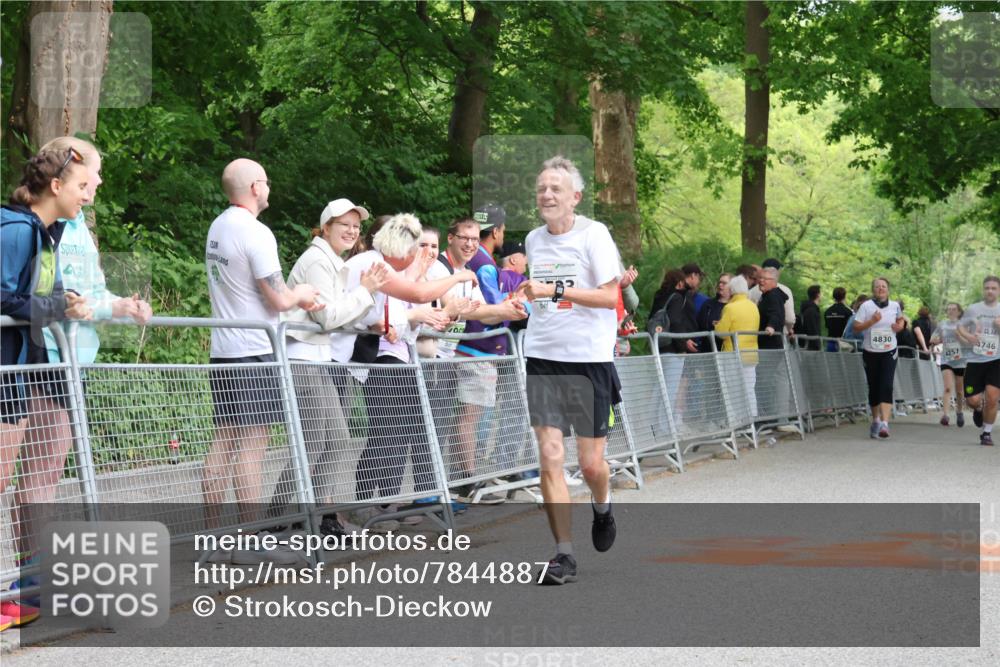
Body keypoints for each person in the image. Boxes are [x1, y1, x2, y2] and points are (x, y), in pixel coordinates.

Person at [203, 158, 324, 564]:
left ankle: (215, 537)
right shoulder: (256, 232)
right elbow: (278, 298)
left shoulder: (217, 226)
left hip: (223, 349)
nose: (269, 188)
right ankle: (250, 540)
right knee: (254, 446)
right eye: (266, 182)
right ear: (255, 186)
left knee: (223, 443)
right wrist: (303, 293)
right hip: (253, 349)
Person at [516, 156, 623, 586]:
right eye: (542, 188)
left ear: (575, 197)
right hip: (542, 356)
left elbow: (609, 297)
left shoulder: (594, 234)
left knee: (591, 463)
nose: (546, 195)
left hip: (589, 361)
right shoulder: (533, 240)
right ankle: (564, 554)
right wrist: (522, 302)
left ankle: (603, 505)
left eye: (556, 188)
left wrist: (554, 288)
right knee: (550, 456)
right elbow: (539, 298)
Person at [1, 147, 94, 629]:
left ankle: (22, 593)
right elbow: (2, 295)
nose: (86, 195)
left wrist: (62, 302)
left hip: (21, 369)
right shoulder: (17, 229)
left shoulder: (46, 234)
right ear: (55, 187)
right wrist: (56, 307)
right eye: (81, 186)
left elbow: (29, 298)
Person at [270, 198, 388, 538]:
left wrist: (366, 322)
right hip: (302, 358)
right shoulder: (318, 261)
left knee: (335, 439)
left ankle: (321, 518)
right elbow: (328, 318)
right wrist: (365, 293)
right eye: (344, 225)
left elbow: (336, 316)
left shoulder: (332, 261)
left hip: (317, 359)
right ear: (325, 228)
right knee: (313, 442)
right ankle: (277, 517)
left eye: (356, 226)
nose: (352, 231)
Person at [425, 217, 527, 502]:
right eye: (464, 238)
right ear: (451, 238)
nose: (470, 244)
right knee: (448, 421)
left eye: (473, 239)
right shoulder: (443, 269)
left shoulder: (468, 270)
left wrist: (507, 310)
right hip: (433, 355)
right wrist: (502, 310)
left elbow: (480, 309)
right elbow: (460, 310)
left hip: (447, 355)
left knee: (450, 420)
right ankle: (451, 486)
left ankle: (452, 486)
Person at [852, 278, 905, 439]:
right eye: (877, 287)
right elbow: (855, 328)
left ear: (888, 290)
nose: (881, 289)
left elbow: (901, 319)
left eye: (884, 286)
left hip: (889, 351)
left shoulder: (895, 305)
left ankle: (885, 423)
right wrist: (871, 321)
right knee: (874, 387)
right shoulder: (866, 306)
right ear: (873, 290)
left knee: (887, 385)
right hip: (870, 351)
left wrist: (900, 326)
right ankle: (875, 419)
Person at [957, 276, 1000, 447]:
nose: (990, 291)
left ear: (998, 291)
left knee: (992, 397)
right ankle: (979, 410)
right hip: (975, 360)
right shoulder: (973, 309)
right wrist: (968, 336)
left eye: (994, 288)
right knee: (972, 400)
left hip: (997, 359)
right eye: (987, 288)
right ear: (983, 290)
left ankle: (987, 433)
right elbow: (960, 327)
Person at [715, 275, 760, 417]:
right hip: (751, 354)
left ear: (732, 290)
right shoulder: (753, 307)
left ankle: (738, 421)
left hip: (732, 354)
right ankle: (751, 419)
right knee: (749, 388)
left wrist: (717, 326)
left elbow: (721, 333)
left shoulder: (730, 308)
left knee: (733, 389)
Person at [755, 267, 788, 419]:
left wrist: (771, 326)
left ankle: (766, 416)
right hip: (768, 346)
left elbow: (777, 313)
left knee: (764, 381)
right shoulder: (767, 295)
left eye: (765, 279)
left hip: (770, 346)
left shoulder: (773, 296)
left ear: (774, 282)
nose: (761, 281)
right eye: (760, 278)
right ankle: (766, 415)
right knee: (764, 381)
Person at [929, 303, 969, 428]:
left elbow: (969, 344)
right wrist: (935, 340)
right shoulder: (942, 324)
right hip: (947, 360)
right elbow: (934, 338)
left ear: (959, 312)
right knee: (947, 388)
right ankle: (945, 415)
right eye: (949, 309)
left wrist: (960, 336)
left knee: (960, 391)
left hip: (961, 361)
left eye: (954, 309)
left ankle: (959, 411)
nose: (951, 311)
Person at [750, 258, 795, 335]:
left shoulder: (751, 292)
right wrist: (789, 329)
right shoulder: (784, 290)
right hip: (776, 334)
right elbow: (790, 319)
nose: (762, 281)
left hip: (757, 334)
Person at [697, 273, 731, 352]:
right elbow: (699, 324)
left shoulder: (734, 306)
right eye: (719, 282)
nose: (720, 285)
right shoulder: (708, 304)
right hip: (707, 348)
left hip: (726, 350)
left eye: (724, 283)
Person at [824, 287, 852, 351]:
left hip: (830, 342)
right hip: (844, 343)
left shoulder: (827, 311)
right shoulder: (848, 312)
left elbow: (827, 326)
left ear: (833, 296)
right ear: (844, 296)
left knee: (830, 360)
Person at [798, 285, 822, 351]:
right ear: (818, 295)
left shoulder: (806, 309)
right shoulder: (812, 311)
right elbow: (813, 328)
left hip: (806, 344)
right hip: (811, 346)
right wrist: (817, 344)